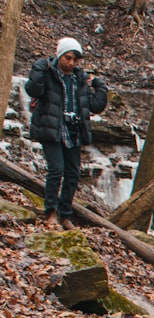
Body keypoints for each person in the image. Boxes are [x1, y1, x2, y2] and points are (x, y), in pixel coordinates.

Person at [24, 37, 108, 230]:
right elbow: (33, 90)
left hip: (73, 131)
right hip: (51, 129)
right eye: (67, 58)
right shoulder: (47, 73)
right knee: (56, 170)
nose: (71, 63)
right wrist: (38, 68)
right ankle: (50, 212)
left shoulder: (79, 80)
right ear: (59, 56)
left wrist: (99, 85)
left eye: (74, 60)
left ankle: (65, 215)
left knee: (72, 173)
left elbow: (95, 105)